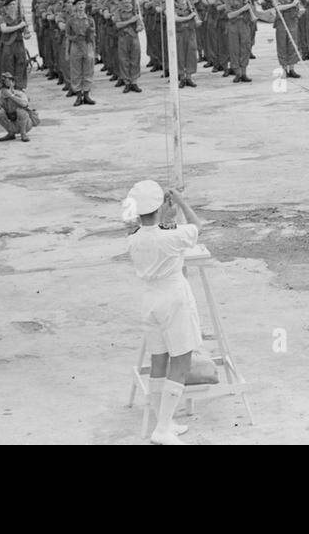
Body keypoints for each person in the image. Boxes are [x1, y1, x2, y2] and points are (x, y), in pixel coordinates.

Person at [123, 180, 203, 445]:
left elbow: (154, 230)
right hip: (174, 299)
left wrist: (165, 217)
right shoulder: (170, 236)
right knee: (181, 362)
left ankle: (164, 423)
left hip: (149, 300)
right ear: (158, 207)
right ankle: (162, 431)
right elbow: (196, 227)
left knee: (159, 360)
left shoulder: (133, 238)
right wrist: (180, 202)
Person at [0, 71, 35, 142]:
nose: (7, 85)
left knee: (21, 111)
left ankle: (23, 134)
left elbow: (24, 104)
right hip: (13, 125)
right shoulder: (3, 98)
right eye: (5, 83)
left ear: (13, 83)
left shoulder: (20, 93)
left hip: (26, 124)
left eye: (8, 82)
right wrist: (1, 99)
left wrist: (11, 96)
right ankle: (11, 133)